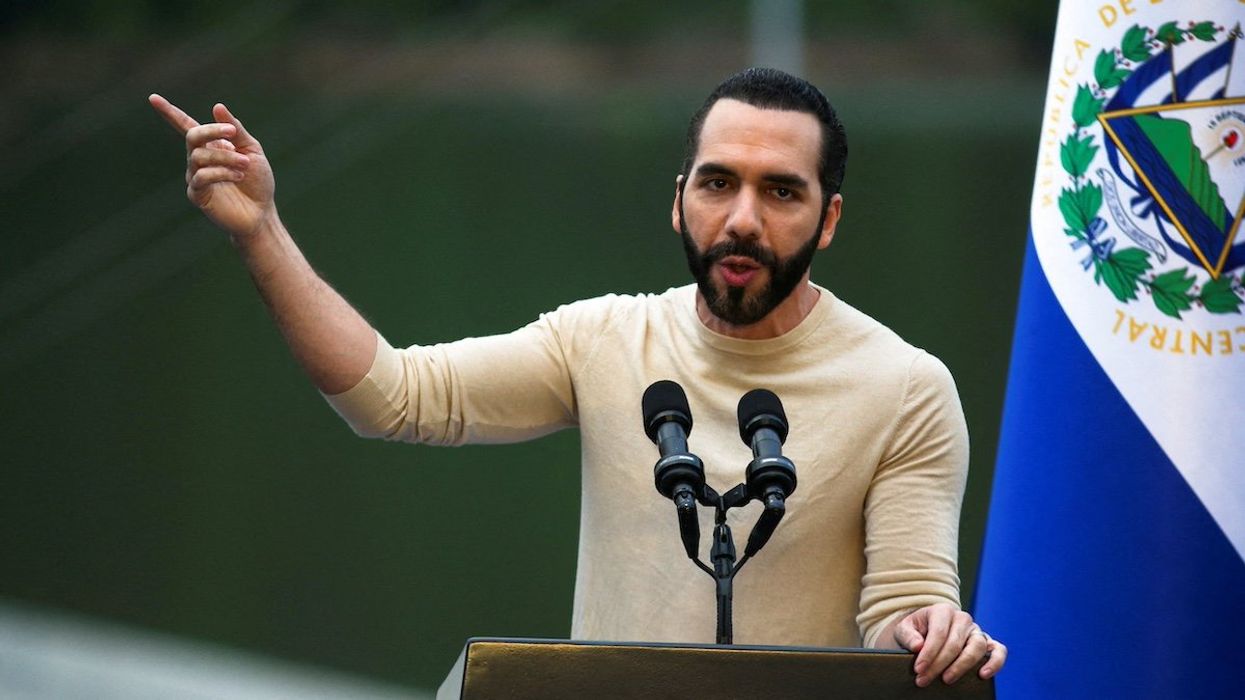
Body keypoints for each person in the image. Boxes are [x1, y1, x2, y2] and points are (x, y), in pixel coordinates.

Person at [150, 67, 1006, 687]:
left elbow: (902, 611)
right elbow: (393, 398)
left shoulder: (905, 387)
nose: (742, 219)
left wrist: (931, 634)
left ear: (828, 220)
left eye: (781, 192)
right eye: (718, 183)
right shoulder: (602, 339)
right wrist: (260, 231)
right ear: (679, 200)